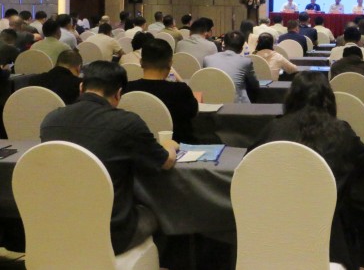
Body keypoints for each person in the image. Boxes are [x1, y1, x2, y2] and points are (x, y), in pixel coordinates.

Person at [249, 72, 364, 270]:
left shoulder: (274, 128)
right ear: (329, 99)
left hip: (271, 236)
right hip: (330, 242)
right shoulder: (341, 131)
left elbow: (249, 163)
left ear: (291, 97)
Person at [40, 61, 178, 255]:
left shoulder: (50, 121)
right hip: (113, 233)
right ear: (119, 93)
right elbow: (166, 162)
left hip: (58, 228)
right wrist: (170, 146)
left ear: (81, 87)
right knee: (160, 215)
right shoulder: (127, 123)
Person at [124, 39, 199, 143]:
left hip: (137, 147)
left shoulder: (126, 89)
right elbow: (193, 113)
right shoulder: (180, 90)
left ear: (141, 62)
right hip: (177, 145)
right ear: (170, 63)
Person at [203, 31, 259, 103]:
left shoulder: (207, 59)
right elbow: (255, 85)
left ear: (223, 45)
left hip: (211, 102)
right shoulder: (246, 61)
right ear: (241, 49)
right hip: (236, 104)